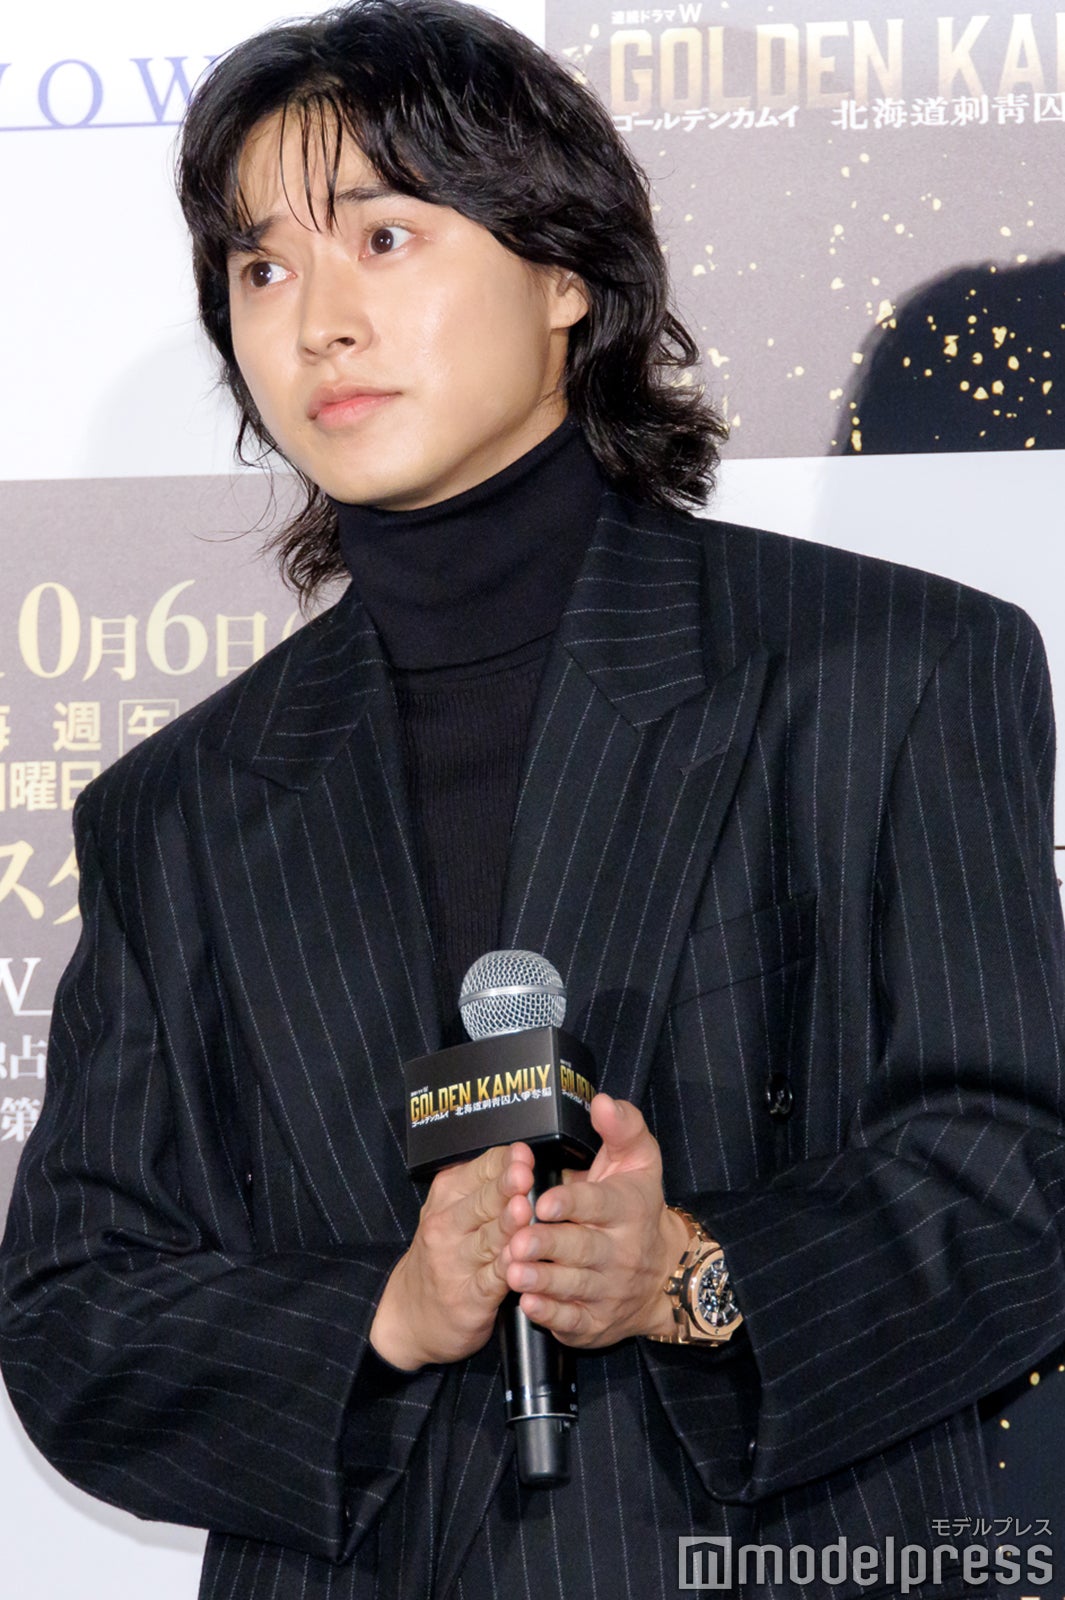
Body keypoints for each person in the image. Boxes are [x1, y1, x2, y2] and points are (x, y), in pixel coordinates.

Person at [2, 2, 1065, 1597]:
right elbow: (72, 1310)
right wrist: (385, 1312)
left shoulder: (891, 670)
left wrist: (689, 1275)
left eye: (383, 237)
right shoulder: (182, 805)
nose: (318, 322)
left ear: (564, 272)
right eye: (261, 268)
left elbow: (1019, 1178)